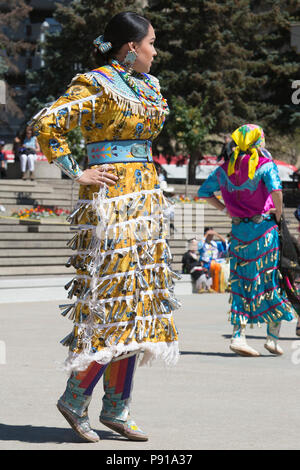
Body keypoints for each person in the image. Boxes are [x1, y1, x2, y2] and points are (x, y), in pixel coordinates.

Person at [32, 12, 179, 443]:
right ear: (131, 46)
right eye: (151, 41)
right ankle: (75, 397)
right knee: (112, 303)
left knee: (140, 304)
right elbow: (47, 124)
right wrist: (77, 171)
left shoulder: (149, 85)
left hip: (146, 199)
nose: (156, 49)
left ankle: (116, 408)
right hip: (111, 201)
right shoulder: (96, 83)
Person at [197, 123, 295, 357]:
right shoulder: (265, 165)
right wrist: (279, 214)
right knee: (271, 280)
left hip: (239, 235)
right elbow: (277, 191)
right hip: (264, 233)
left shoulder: (224, 169)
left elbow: (203, 192)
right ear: (258, 141)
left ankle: (238, 336)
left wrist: (225, 210)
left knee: (241, 283)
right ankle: (271, 338)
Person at [198, 227, 229, 292]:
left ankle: (223, 286)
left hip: (215, 262)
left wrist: (217, 234)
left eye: (212, 235)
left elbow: (225, 243)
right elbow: (200, 246)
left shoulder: (215, 243)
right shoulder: (203, 243)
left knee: (225, 267)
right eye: (210, 235)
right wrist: (206, 235)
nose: (211, 236)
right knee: (214, 267)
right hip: (206, 263)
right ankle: (211, 287)